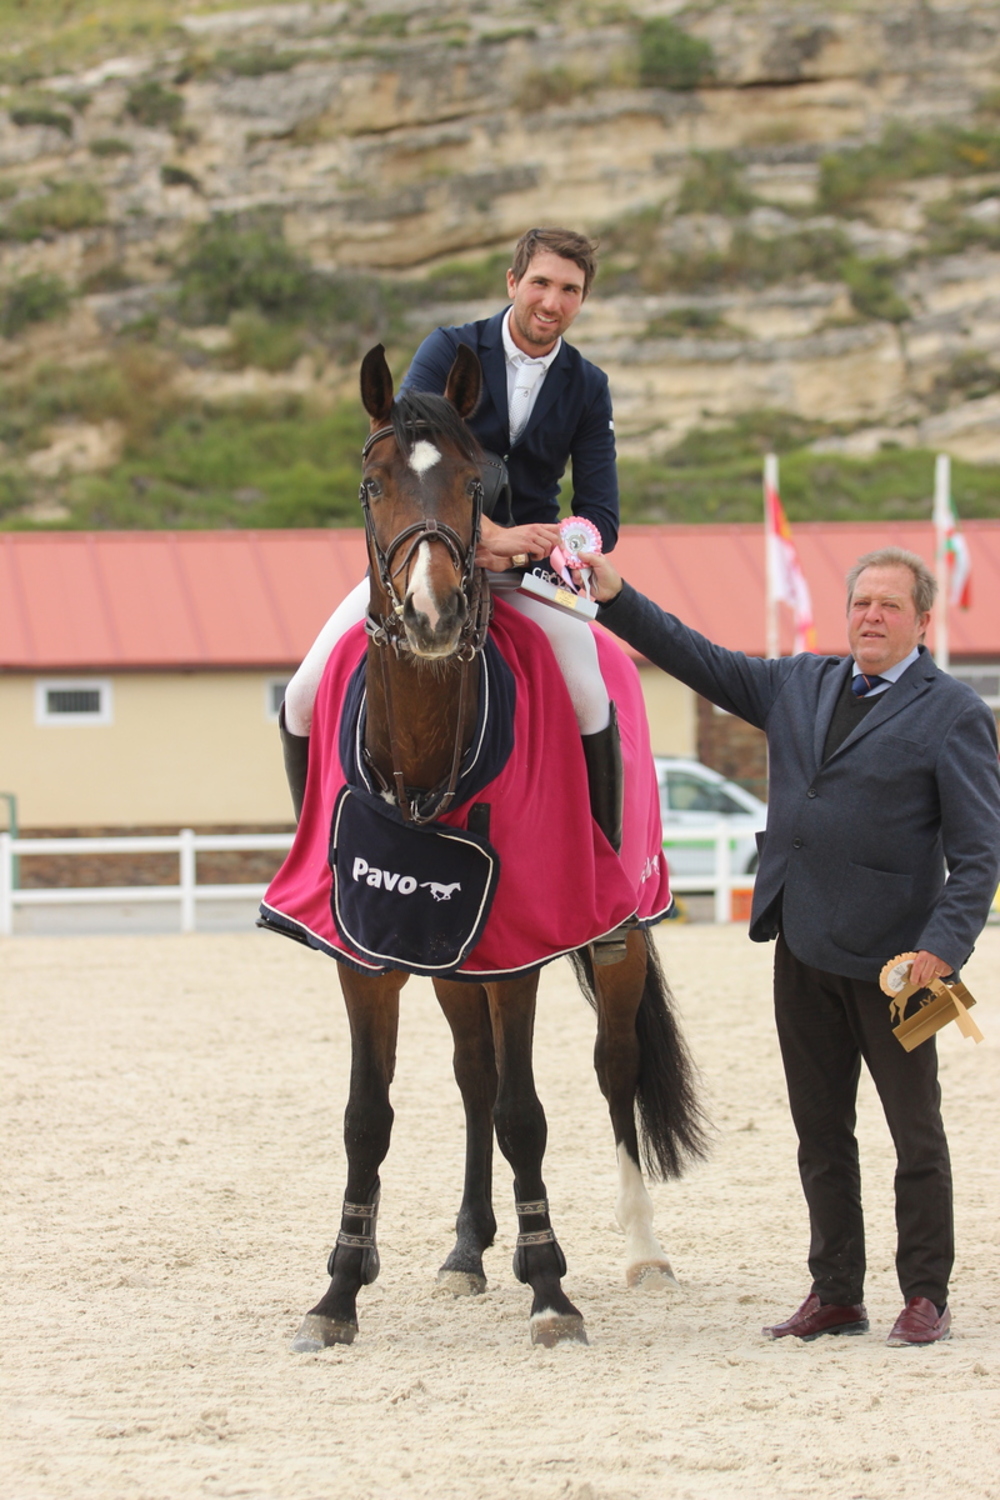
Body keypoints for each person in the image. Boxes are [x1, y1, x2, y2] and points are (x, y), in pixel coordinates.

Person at [580, 542, 1000, 1345]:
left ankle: (925, 1295)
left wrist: (943, 949)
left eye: (889, 605)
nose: (871, 616)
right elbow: (694, 655)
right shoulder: (797, 683)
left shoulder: (955, 714)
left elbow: (980, 854)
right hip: (801, 946)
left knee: (917, 1135)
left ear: (922, 619)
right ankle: (836, 1292)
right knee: (821, 1132)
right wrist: (615, 596)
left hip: (903, 967)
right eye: (861, 603)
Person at [282, 227, 625, 863]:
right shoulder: (449, 348)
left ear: (582, 300)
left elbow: (601, 514)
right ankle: (318, 869)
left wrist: (545, 546)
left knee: (590, 697)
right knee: (302, 696)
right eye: (542, 283)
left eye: (570, 290)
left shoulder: (588, 385)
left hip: (531, 575)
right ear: (513, 283)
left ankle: (602, 881)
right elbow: (410, 453)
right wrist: (485, 534)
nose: (553, 301)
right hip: (426, 557)